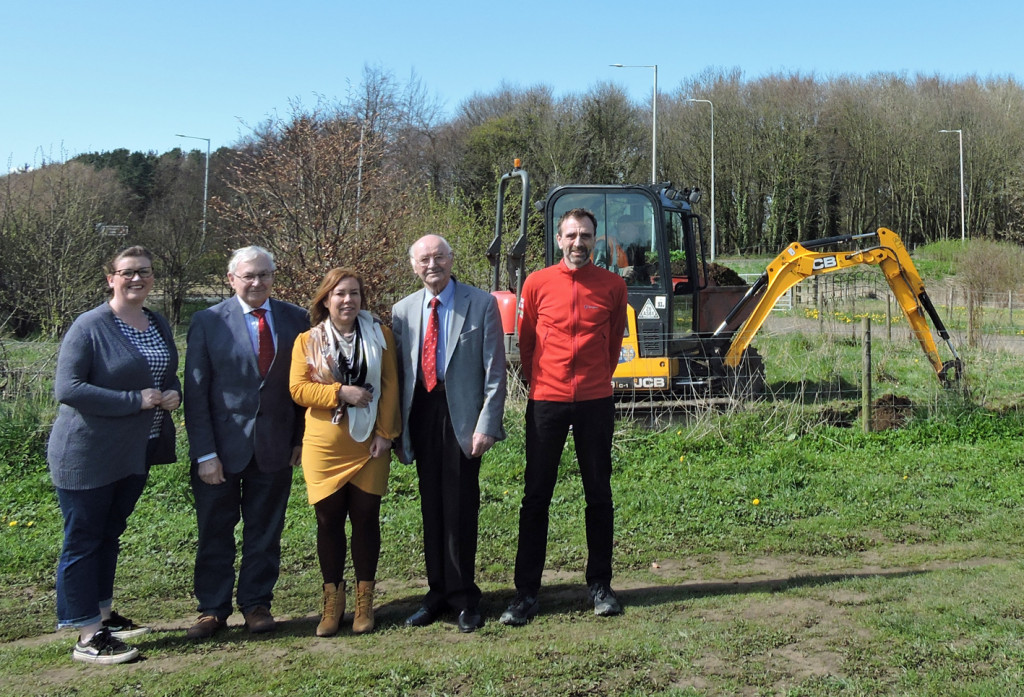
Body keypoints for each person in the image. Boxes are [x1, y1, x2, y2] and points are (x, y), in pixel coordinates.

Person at [48, 246, 181, 664]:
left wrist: (174, 391)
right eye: (127, 273)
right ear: (111, 279)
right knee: (83, 540)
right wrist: (132, 400)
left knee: (109, 534)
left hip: (134, 452)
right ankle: (87, 635)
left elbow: (161, 371)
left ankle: (103, 616)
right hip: (86, 453)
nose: (136, 279)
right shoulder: (89, 326)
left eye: (144, 271)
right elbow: (67, 389)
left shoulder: (156, 322)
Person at [500, 208, 628, 626]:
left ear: (595, 240)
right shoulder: (536, 283)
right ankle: (526, 593)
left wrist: (594, 383)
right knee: (536, 495)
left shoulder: (612, 286)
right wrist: (547, 384)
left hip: (595, 401)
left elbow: (611, 349)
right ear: (558, 239)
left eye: (586, 235)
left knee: (599, 494)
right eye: (571, 235)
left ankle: (600, 586)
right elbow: (527, 342)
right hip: (546, 402)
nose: (578, 242)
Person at [183, 246, 308, 639]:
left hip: (274, 447)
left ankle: (256, 604)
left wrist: (300, 440)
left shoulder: (296, 319)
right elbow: (196, 392)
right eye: (248, 276)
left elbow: (305, 386)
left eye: (264, 275)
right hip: (220, 451)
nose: (257, 282)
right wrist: (205, 453)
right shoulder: (207, 322)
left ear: (273, 276)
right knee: (214, 531)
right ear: (231, 278)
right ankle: (212, 609)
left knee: (265, 532)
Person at [392, 234, 507, 633]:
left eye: (439, 256)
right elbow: (399, 376)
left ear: (451, 259)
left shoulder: (481, 303)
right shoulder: (402, 311)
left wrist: (487, 425)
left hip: (462, 418)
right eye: (424, 259)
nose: (432, 265)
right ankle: (436, 593)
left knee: (460, 509)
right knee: (430, 507)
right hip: (422, 415)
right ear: (413, 265)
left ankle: (464, 597)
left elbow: (495, 372)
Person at [289, 268, 400, 636]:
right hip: (325, 444)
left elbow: (390, 386)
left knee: (366, 517)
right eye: (339, 294)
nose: (347, 300)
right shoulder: (307, 341)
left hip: (370, 443)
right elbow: (298, 389)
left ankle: (364, 601)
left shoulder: (380, 335)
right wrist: (340, 392)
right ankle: (332, 603)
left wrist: (387, 433)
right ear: (325, 299)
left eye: (354, 293)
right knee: (329, 520)